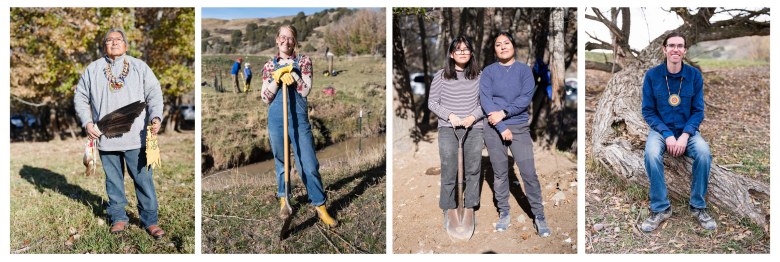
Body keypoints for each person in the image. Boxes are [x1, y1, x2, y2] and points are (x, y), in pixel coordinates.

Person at [73, 28, 166, 239]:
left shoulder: (139, 67)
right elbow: (80, 97)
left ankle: (150, 221)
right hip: (105, 137)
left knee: (143, 180)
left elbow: (154, 93)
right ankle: (118, 218)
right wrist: (87, 122)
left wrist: (156, 117)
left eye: (118, 39)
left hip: (136, 137)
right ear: (103, 45)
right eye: (109, 40)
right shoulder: (93, 69)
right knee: (113, 181)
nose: (114, 42)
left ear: (125, 44)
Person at [260, 25, 337, 227]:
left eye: (291, 38)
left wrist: (293, 76)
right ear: (277, 40)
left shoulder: (304, 61)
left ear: (295, 41)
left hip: (299, 118)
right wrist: (276, 79)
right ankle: (284, 199)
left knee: (309, 163)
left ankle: (320, 206)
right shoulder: (269, 66)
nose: (286, 41)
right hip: (276, 119)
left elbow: (305, 91)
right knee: (281, 161)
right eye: (283, 37)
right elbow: (265, 98)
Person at [640, 32, 714, 232]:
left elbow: (698, 111)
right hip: (660, 130)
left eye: (680, 46)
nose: (675, 49)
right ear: (664, 49)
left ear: (684, 50)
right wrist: (667, 134)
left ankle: (698, 206)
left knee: (704, 153)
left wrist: (684, 135)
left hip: (687, 131)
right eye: (671, 45)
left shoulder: (694, 76)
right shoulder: (652, 76)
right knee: (652, 154)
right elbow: (647, 111)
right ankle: (660, 208)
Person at [479, 32, 550, 237]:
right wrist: (501, 125)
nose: (502, 47)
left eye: (506, 43)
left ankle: (539, 215)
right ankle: (504, 212)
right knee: (500, 173)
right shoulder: (488, 72)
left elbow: (525, 98)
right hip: (493, 129)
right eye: (498, 44)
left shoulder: (524, 71)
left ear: (513, 46)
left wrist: (504, 113)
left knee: (528, 173)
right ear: (494, 49)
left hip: (519, 128)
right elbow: (486, 100)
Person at [428, 36, 483, 227]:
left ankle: (470, 206)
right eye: (458, 49)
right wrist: (450, 116)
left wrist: (472, 117)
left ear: (471, 53)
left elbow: (485, 103)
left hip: (474, 128)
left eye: (466, 49)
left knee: (473, 169)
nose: (462, 52)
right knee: (449, 168)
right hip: (447, 128)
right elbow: (432, 102)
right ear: (452, 54)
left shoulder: (479, 76)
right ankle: (449, 207)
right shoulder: (441, 76)